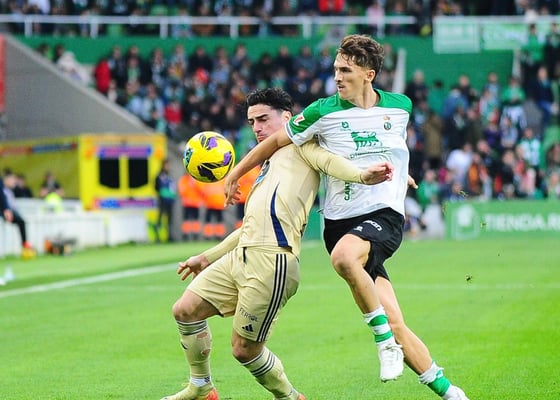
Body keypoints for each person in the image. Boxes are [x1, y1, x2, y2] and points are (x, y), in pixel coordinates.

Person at [224, 34, 469, 400]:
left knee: (343, 259)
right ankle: (450, 392)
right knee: (395, 321)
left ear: (369, 74)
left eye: (346, 70)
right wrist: (236, 173)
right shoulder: (322, 112)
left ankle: (383, 344)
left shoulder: (400, 106)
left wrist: (400, 176)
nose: (337, 77)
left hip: (383, 216)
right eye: (336, 69)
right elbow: (275, 142)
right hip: (339, 223)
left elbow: (394, 150)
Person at [161, 87, 394, 400]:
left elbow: (330, 161)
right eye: (251, 122)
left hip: (274, 261)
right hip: (241, 256)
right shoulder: (266, 163)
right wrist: (207, 257)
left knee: (244, 350)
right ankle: (201, 387)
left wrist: (363, 175)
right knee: (185, 310)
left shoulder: (302, 145)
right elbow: (250, 227)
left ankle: (290, 397)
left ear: (287, 118)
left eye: (263, 119)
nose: (256, 128)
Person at [155, 159, 177, 242]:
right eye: (166, 165)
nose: (168, 167)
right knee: (160, 218)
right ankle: (157, 237)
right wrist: (162, 194)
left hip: (170, 200)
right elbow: (156, 187)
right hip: (162, 200)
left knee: (170, 219)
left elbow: (173, 188)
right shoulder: (159, 176)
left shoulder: (170, 176)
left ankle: (169, 236)